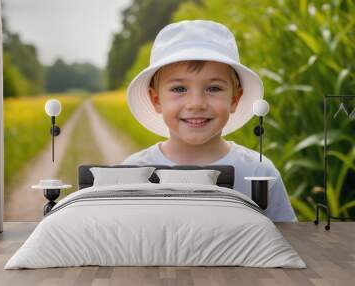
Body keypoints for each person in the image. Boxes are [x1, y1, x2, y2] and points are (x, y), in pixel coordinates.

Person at [121, 20, 297, 222]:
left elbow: (286, 240)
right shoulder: (134, 172)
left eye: (213, 88)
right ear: (156, 100)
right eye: (179, 89)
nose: (196, 104)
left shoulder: (259, 172)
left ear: (234, 99)